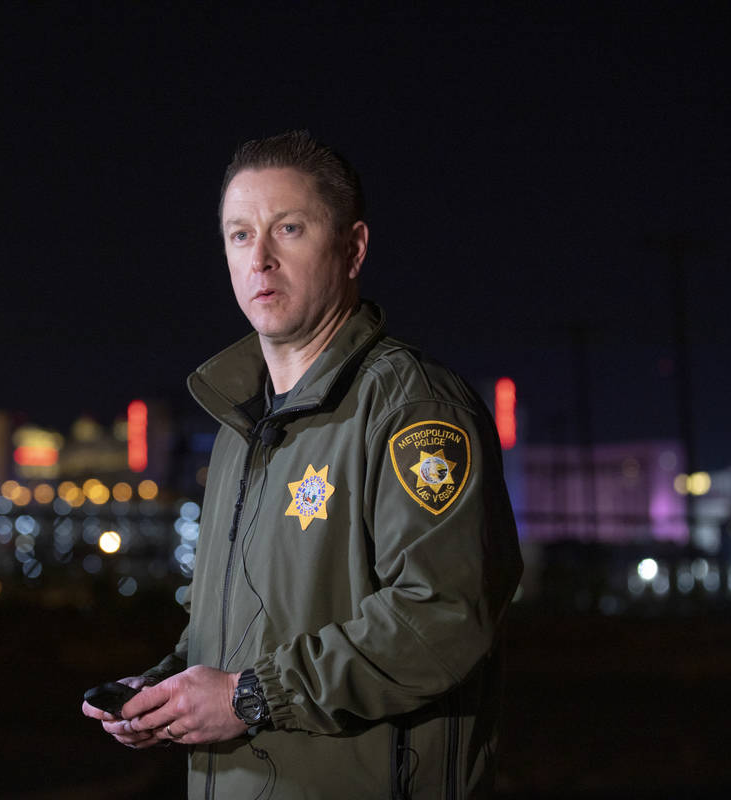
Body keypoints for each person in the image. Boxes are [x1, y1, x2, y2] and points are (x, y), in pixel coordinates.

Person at [82, 130, 523, 799]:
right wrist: (171, 686)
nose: (259, 259)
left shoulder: (412, 411)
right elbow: (257, 621)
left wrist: (248, 696)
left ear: (353, 248)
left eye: (288, 228)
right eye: (238, 234)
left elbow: (444, 615)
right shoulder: (241, 424)